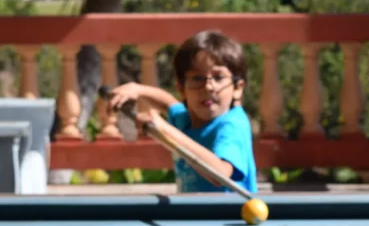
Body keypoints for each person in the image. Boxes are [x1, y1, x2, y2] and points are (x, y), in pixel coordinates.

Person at [108, 30, 257, 194]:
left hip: (227, 217)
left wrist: (165, 129)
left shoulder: (231, 126)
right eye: (197, 78)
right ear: (181, 89)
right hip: (192, 215)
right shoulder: (187, 118)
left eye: (218, 77)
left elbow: (220, 174)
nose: (208, 87)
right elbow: (168, 103)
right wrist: (137, 89)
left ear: (237, 88)